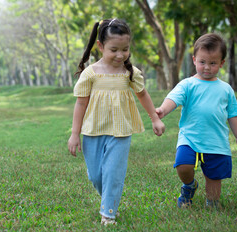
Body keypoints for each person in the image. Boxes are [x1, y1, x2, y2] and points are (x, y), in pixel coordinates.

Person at [68, 18, 165, 225]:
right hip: (92, 131)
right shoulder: (91, 73)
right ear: (101, 46)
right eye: (114, 49)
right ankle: (108, 199)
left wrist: (155, 118)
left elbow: (143, 94)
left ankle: (108, 213)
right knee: (96, 176)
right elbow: (81, 105)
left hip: (120, 131)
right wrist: (75, 134)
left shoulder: (129, 72)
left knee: (113, 172)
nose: (120, 55)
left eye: (125, 49)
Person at [156, 33, 237, 209]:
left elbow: (233, 114)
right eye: (202, 62)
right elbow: (173, 99)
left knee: (214, 178)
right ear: (194, 60)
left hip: (216, 141)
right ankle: (189, 186)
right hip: (189, 137)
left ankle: (212, 203)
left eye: (213, 63)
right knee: (183, 165)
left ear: (221, 63)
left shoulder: (226, 89)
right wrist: (162, 110)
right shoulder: (188, 84)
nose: (207, 67)